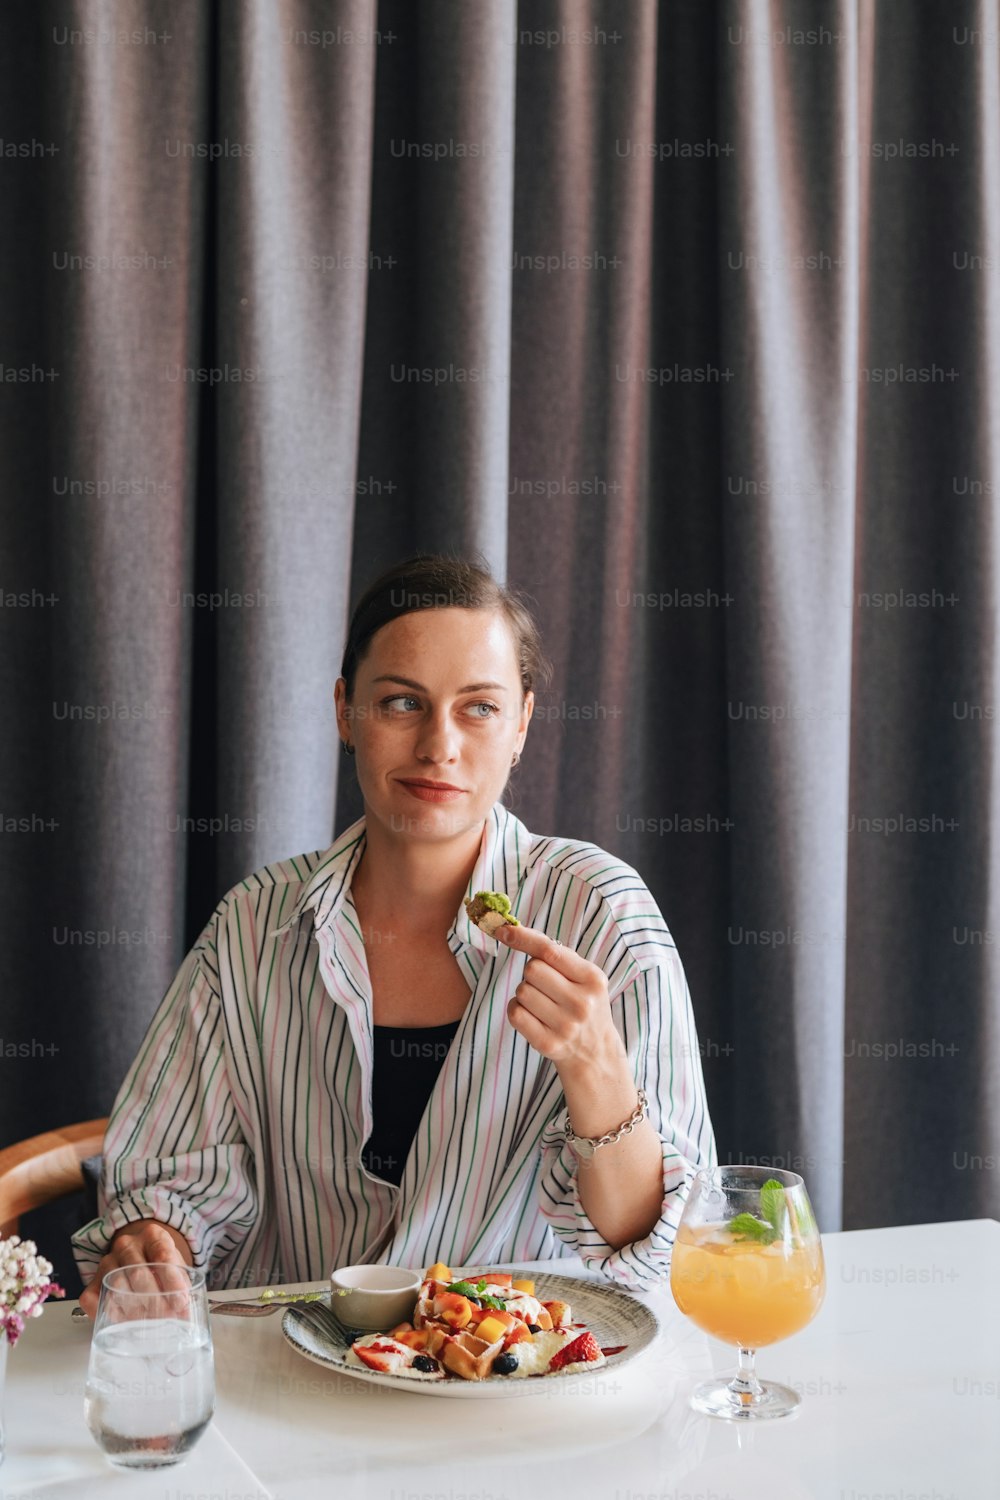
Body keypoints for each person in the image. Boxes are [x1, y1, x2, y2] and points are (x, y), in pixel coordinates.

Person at [74, 554, 715, 1316]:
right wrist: (155, 1244)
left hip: (527, 1383)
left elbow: (654, 1251)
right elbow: (171, 1181)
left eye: (479, 707)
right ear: (346, 711)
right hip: (293, 1378)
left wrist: (596, 1069)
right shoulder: (253, 925)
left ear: (522, 725)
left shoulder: (601, 913)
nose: (439, 745)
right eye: (402, 703)